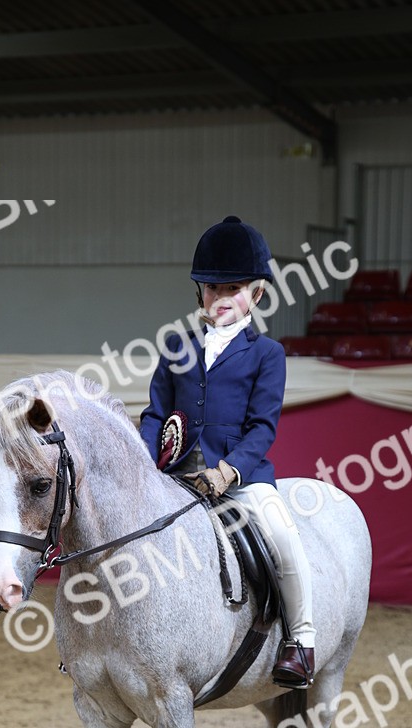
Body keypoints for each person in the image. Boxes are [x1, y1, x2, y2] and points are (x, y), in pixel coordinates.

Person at [139, 215, 316, 688]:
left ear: (257, 294)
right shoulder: (176, 346)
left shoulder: (267, 354)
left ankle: (301, 640)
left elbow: (263, 427)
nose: (222, 299)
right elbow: (156, 412)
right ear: (199, 293)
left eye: (234, 288)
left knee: (283, 538)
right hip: (176, 476)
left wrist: (228, 472)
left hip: (241, 478)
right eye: (213, 289)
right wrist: (143, 462)